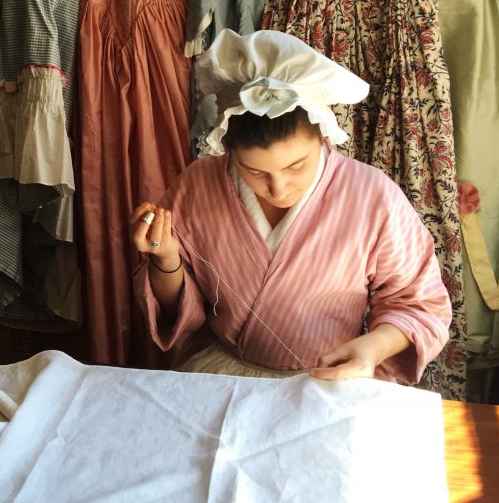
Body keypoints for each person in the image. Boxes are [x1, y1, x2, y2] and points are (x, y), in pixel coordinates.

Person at [130, 29, 452, 384]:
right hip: (222, 376)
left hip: (327, 379)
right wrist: (165, 260)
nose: (278, 188)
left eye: (296, 166)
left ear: (323, 136)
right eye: (253, 170)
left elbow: (417, 303)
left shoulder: (374, 196)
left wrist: (373, 348)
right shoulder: (196, 186)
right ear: (227, 150)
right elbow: (181, 312)